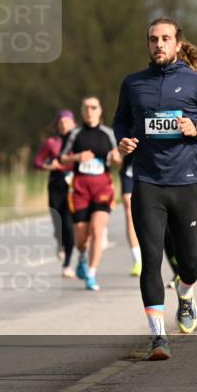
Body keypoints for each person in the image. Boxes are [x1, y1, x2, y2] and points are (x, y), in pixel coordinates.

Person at [113, 17, 197, 361]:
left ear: (178, 43)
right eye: (153, 39)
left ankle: (185, 292)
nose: (159, 45)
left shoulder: (196, 82)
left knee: (190, 264)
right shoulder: (134, 83)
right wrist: (122, 140)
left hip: (186, 184)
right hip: (147, 183)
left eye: (165, 38)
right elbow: (120, 119)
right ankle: (158, 338)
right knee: (151, 260)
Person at [59, 96, 121, 292]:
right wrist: (77, 157)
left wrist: (116, 156)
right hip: (80, 188)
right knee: (81, 236)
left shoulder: (108, 134)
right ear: (82, 111)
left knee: (97, 230)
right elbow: (62, 159)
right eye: (86, 107)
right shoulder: (75, 134)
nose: (90, 111)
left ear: (100, 110)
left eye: (94, 107)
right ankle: (83, 256)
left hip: (102, 186)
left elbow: (118, 158)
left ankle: (92, 274)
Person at [34, 110, 78, 278]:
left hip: (74, 185)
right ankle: (59, 242)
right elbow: (37, 162)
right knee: (58, 222)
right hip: (56, 184)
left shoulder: (78, 141)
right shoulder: (51, 142)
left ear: (73, 124)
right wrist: (48, 166)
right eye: (60, 123)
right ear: (57, 125)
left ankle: (67, 263)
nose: (63, 125)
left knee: (68, 225)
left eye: (67, 122)